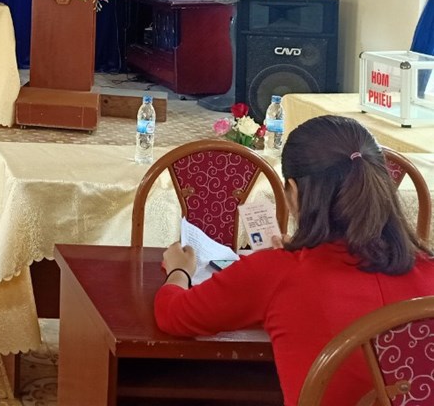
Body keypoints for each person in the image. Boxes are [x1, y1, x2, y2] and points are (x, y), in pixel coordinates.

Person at [155, 115, 434, 406]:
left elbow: (173, 315)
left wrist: (179, 270)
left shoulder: (277, 272)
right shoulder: (428, 270)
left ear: (294, 191)